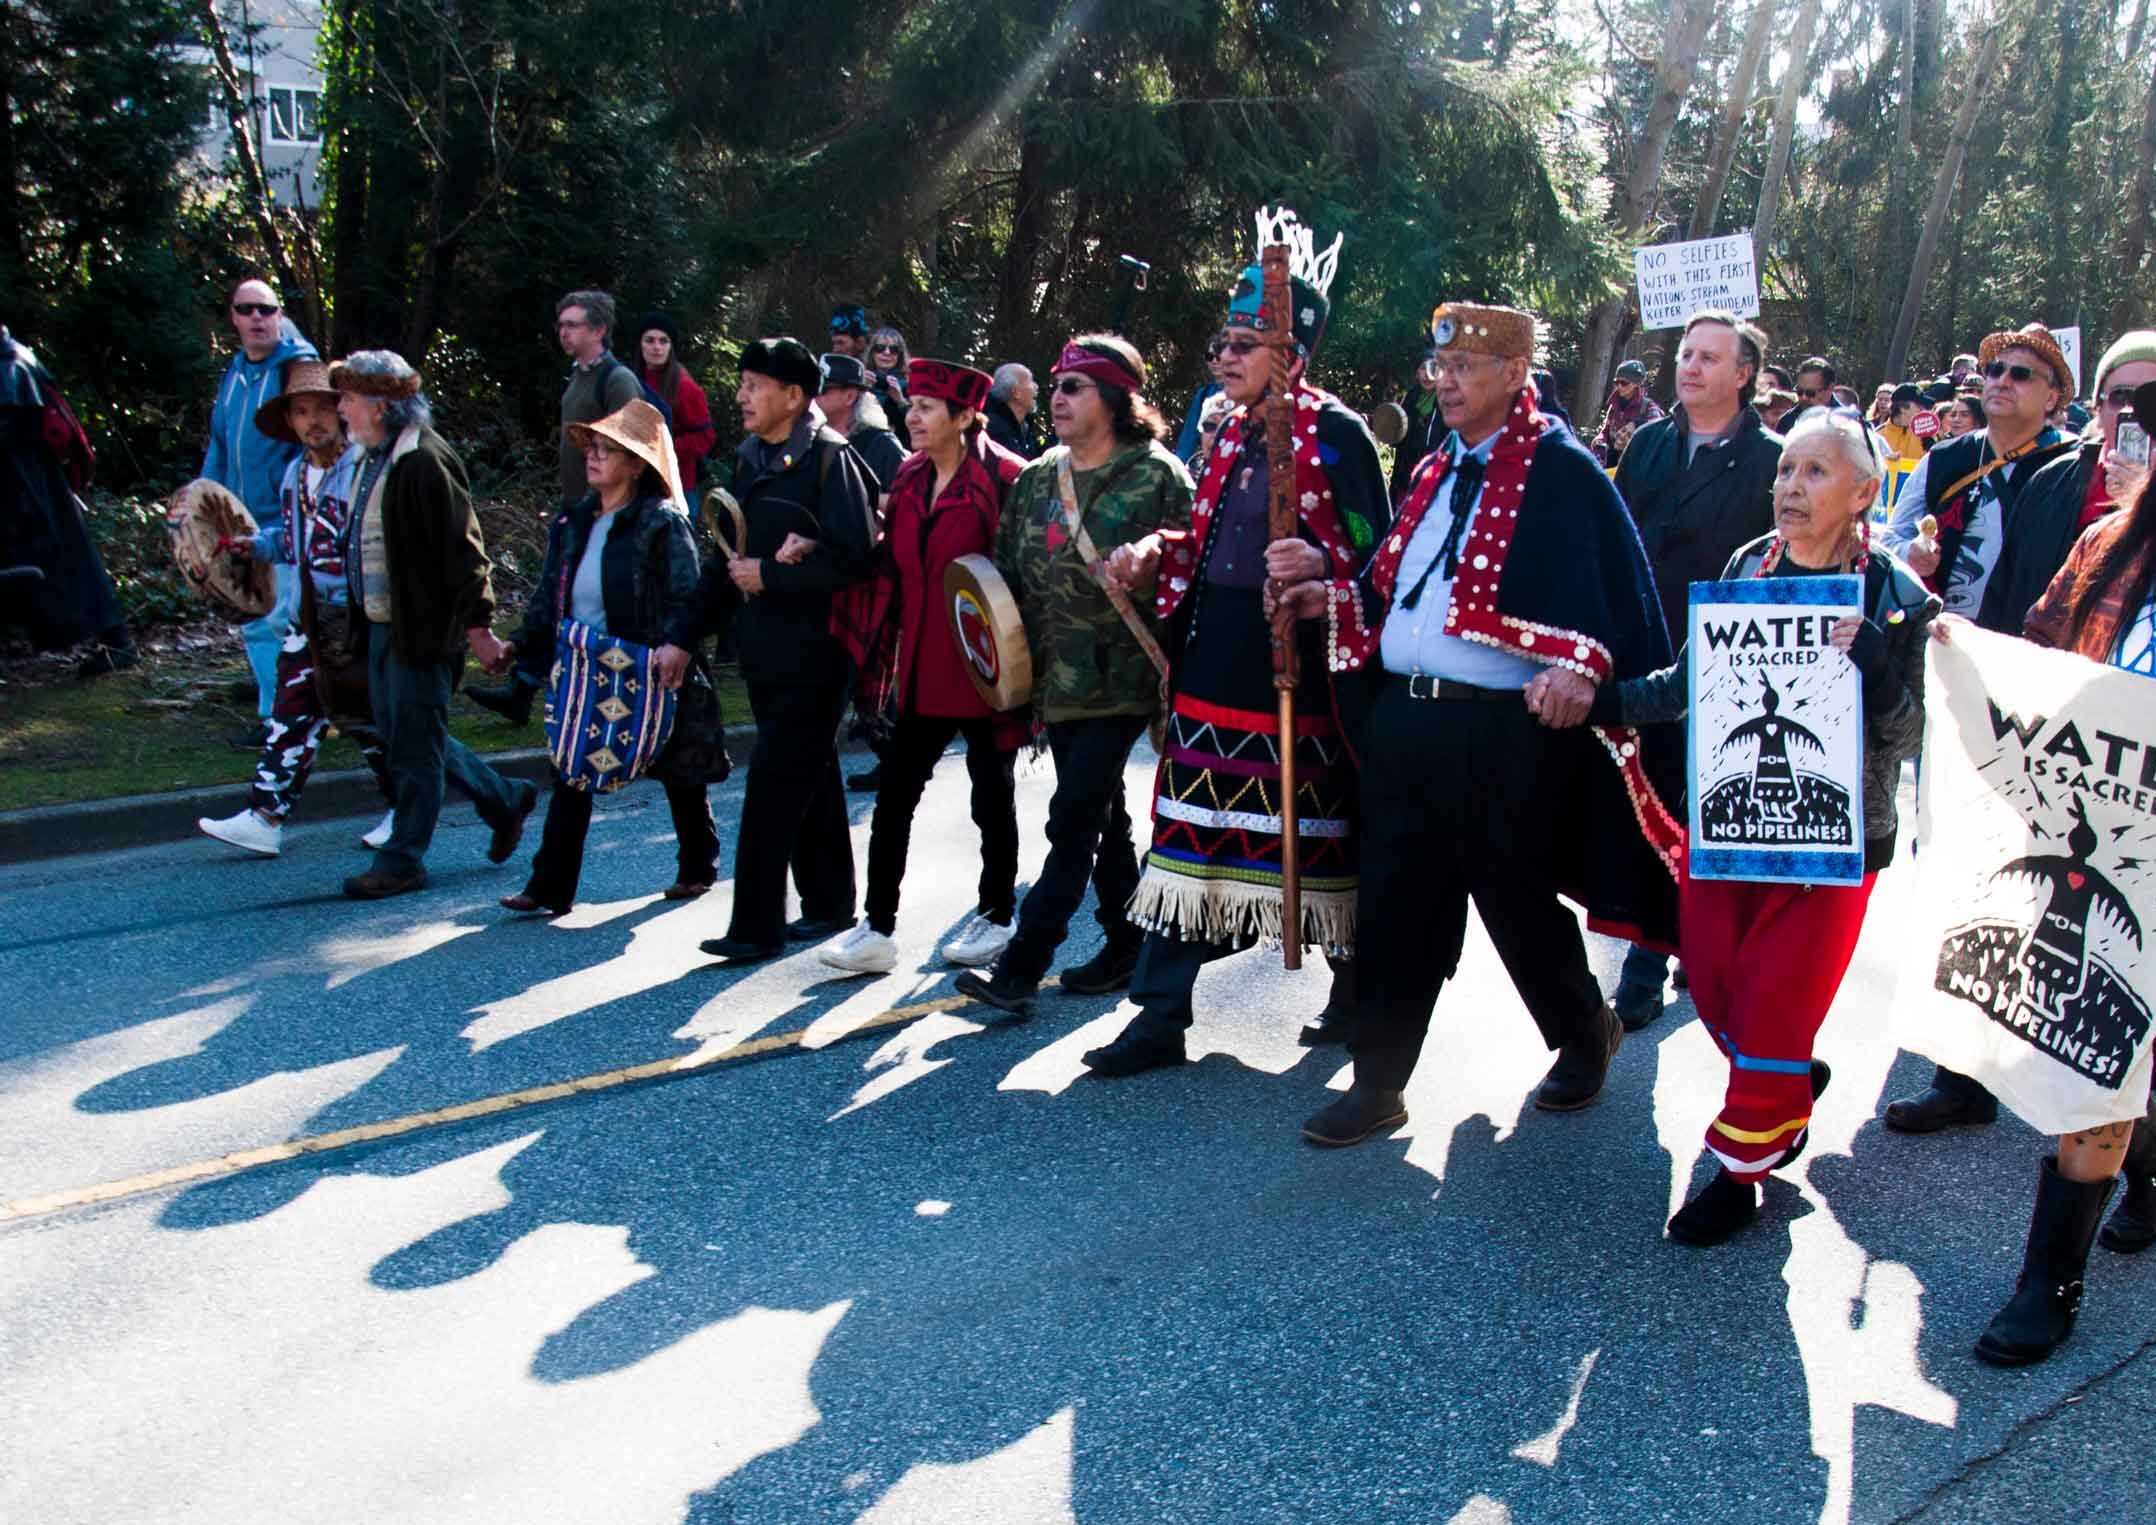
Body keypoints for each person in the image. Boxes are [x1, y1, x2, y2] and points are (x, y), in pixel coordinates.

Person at [1294, 301, 1683, 1150]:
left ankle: (1584, 1031)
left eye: (1466, 367)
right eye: (1442, 367)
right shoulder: (1433, 466)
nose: (1448, 382)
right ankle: (1380, 1082)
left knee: (1515, 897)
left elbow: (1611, 596)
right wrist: (1333, 594)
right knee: (1394, 896)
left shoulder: (1562, 469)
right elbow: (1395, 580)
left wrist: (1581, 666)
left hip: (1502, 730)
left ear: (1514, 373)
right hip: (1405, 718)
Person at [1570, 411, 1937, 1242]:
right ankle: (1786, 1082)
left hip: (1834, 847)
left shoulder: (1899, 599)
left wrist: (1877, 667)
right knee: (1717, 981)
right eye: (1785, 470)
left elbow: (1912, 736)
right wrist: (1604, 701)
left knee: (1775, 998)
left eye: (1814, 472)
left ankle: (1739, 1172)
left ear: (1863, 493)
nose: (1790, 487)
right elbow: (1688, 684)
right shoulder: (1747, 566)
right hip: (1731, 826)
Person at [1074, 209, 1391, 1077]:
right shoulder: (1228, 428)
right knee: (1186, 834)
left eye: (1245, 343)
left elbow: (1382, 554)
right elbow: (1208, 537)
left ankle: (1356, 989)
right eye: (1222, 341)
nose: (1224, 356)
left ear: (1293, 351)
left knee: (1313, 836)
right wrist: (1155, 548)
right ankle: (1158, 1015)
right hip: (1212, 660)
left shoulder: (1337, 433)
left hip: (1294, 671)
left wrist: (1322, 561)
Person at [1952, 394, 2156, 1364]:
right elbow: (2035, 650)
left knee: (2134, 1053)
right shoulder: (2109, 546)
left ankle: (2121, 1202)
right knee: (2101, 1055)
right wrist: (1966, 660)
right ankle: (2050, 1281)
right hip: (2105, 830)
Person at [953, 334, 1195, 1016]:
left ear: (1115, 399)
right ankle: (1125, 943)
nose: (1056, 397)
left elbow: (1194, 576)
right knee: (1103, 818)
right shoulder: (1037, 477)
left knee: (1073, 820)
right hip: (1056, 682)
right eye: (1055, 385)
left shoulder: (1158, 476)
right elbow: (1004, 577)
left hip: (1125, 678)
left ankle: (1021, 969)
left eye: (1073, 387)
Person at [1878, 321, 2081, 1131]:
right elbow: (1890, 540)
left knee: (2020, 861)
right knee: (1948, 853)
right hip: (1946, 673)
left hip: (2034, 689)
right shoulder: (1947, 461)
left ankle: (2001, 1051)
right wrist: (1911, 559)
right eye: (1994, 369)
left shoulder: (2074, 471)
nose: (2000, 381)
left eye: (2022, 373)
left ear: (2055, 396)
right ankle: (1961, 1057)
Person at [817, 360, 1029, 975]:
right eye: (911, 404)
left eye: (926, 407)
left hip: (987, 670)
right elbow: (888, 560)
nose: (911, 416)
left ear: (964, 417)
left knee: (992, 798)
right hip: (920, 668)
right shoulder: (909, 476)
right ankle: (878, 928)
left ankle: (998, 916)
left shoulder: (1005, 478)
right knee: (894, 799)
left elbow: (1023, 577)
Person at [1606, 309, 1783, 1030]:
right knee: (1647, 805)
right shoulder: (1649, 442)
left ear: (1745, 373)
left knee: (1693, 811)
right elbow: (1614, 535)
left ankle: (1651, 966)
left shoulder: (1773, 459)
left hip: (1729, 665)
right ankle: (1668, 939)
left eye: (1710, 357)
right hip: (1643, 651)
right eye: (1686, 353)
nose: (1691, 367)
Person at [496, 400, 724, 914]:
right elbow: (549, 592)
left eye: (607, 449)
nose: (593, 456)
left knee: (677, 766)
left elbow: (688, 594)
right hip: (586, 666)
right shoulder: (574, 520)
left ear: (637, 464)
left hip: (649, 663)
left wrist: (677, 645)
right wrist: (521, 643)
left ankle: (698, 865)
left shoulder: (660, 522)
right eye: (592, 448)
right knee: (570, 769)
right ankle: (549, 888)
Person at [696, 338, 879, 964]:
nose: (741, 395)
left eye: (755, 385)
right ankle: (829, 902)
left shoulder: (830, 458)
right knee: (813, 773)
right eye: (743, 383)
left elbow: (859, 559)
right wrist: (681, 634)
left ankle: (755, 926)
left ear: (795, 396)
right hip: (766, 650)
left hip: (819, 654)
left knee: (773, 784)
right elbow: (728, 557)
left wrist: (771, 576)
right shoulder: (752, 457)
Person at [331, 350, 536, 900]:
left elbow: (463, 550)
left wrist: (480, 629)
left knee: (413, 749)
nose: (341, 409)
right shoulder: (376, 457)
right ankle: (505, 798)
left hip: (422, 630)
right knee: (410, 734)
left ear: (380, 405)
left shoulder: (422, 461)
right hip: (383, 626)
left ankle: (402, 861)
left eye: (348, 399)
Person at [196, 359, 393, 856]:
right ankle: (266, 816)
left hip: (354, 618)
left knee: (367, 719)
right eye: (302, 412)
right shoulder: (295, 474)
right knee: (296, 712)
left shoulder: (364, 468)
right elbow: (294, 540)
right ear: (290, 421)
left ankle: (433, 802)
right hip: (308, 616)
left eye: (322, 409)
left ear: (340, 411)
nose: (313, 422)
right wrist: (257, 546)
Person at [203, 277, 319, 736]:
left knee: (283, 622)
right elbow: (219, 443)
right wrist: (206, 501)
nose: (257, 318)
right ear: (233, 317)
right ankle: (277, 716)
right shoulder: (233, 374)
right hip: (239, 522)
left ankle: (293, 717)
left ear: (279, 316)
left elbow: (313, 448)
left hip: (284, 521)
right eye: (247, 309)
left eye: (266, 309)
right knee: (255, 620)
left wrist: (295, 505)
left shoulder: (298, 371)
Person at [0, 327, 135, 676]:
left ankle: (118, 642)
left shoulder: (11, 363)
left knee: (69, 562)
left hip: (29, 487)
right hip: (26, 485)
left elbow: (11, 427)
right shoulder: (13, 358)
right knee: (61, 562)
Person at [553, 289, 643, 513]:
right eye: (561, 325)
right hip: (576, 505)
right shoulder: (577, 375)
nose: (563, 333)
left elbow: (629, 452)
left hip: (604, 508)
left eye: (572, 325)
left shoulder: (618, 380)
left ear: (599, 331)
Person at [637, 312, 715, 491]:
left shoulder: (685, 387)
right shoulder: (632, 379)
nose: (657, 347)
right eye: (650, 340)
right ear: (640, 345)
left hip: (676, 485)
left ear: (671, 347)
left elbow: (705, 437)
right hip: (638, 480)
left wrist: (664, 447)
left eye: (663, 341)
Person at [816, 353, 907, 501]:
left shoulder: (882, 444)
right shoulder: (807, 438)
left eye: (822, 389)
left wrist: (861, 501)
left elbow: (908, 500)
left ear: (849, 397)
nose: (813, 394)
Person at [1386, 344, 1448, 502]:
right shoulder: (1410, 398)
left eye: (1433, 369)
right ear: (1416, 373)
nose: (1427, 375)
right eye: (1422, 369)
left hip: (1433, 473)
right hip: (1405, 471)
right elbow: (1397, 437)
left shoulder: (1447, 402)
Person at [1591, 358, 1664, 467]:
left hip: (1636, 467)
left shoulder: (1649, 407)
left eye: (1624, 383)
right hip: (1611, 466)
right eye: (1616, 382)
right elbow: (1606, 431)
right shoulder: (1614, 406)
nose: (1619, 386)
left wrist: (1636, 425)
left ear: (1636, 384)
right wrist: (1600, 439)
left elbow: (1659, 431)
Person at [1172, 334, 1228, 465]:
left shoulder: (1245, 393)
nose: (1214, 361)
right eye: (1210, 357)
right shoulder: (1203, 394)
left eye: (1218, 356)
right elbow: (1188, 437)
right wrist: (1181, 466)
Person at [984, 363, 1040, 460]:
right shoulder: (992, 429)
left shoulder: (1025, 428)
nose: (1036, 387)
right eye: (1031, 381)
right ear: (1016, 392)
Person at [865, 326, 910, 419]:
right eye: (880, 348)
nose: (887, 352)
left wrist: (900, 400)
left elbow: (917, 422)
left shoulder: (910, 385)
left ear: (900, 355)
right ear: (872, 352)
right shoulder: (860, 378)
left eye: (894, 349)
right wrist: (863, 390)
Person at [1878, 382, 1931, 459]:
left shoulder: (1925, 435)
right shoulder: (1878, 436)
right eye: (1919, 406)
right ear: (1902, 408)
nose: (1923, 410)